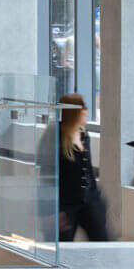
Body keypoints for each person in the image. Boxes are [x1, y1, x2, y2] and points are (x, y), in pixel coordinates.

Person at [51, 93, 110, 242]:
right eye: (84, 108)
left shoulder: (84, 134)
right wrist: (52, 210)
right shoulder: (55, 136)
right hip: (66, 205)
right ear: (74, 112)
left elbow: (88, 170)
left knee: (102, 241)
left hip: (89, 201)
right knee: (63, 246)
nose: (87, 112)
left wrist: (97, 199)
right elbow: (48, 175)